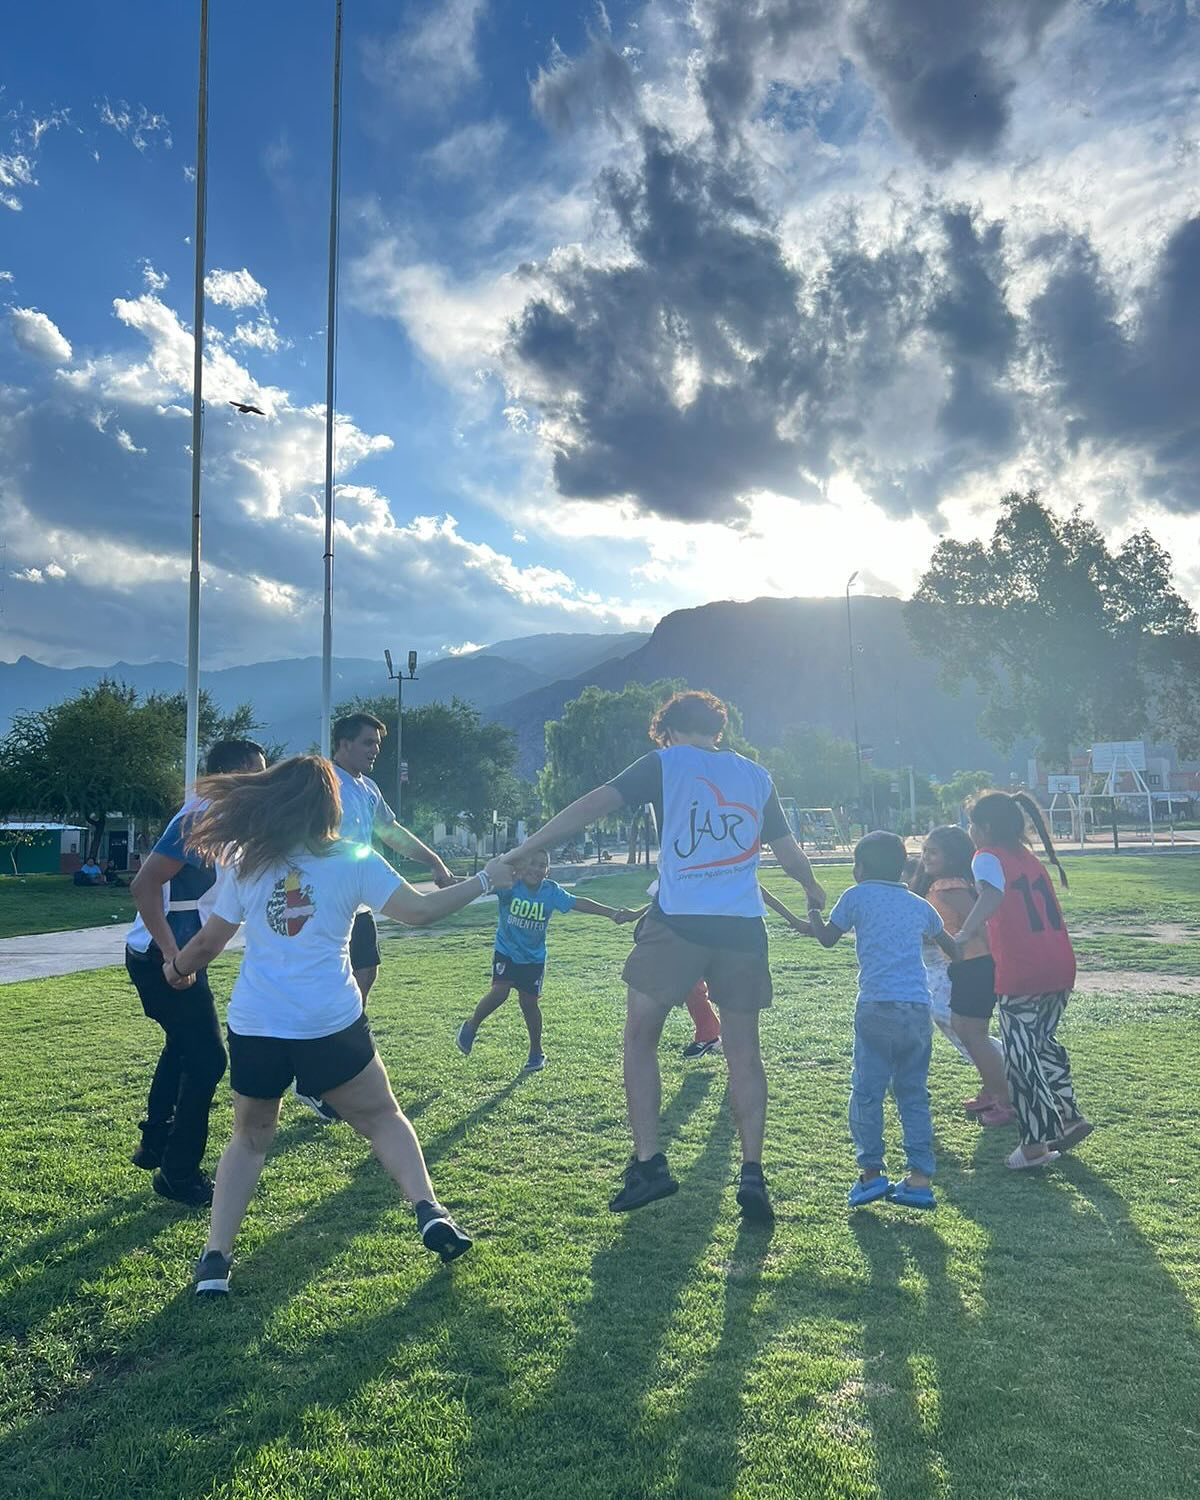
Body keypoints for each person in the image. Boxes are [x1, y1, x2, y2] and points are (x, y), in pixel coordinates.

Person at [161, 755, 516, 1297]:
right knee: (383, 1117)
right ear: (330, 805)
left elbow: (209, 941)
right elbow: (421, 912)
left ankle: (215, 1261)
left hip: (258, 1025)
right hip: (329, 1022)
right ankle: (429, 1209)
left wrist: (176, 968)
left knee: (249, 1139)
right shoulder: (354, 858)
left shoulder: (247, 861)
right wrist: (486, 879)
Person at [503, 690, 827, 1225]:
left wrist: (520, 852)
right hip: (743, 928)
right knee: (744, 1052)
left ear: (668, 731)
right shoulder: (756, 776)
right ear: (718, 729)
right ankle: (752, 1172)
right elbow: (789, 854)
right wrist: (812, 889)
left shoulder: (664, 762)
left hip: (678, 923)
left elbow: (589, 807)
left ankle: (649, 1163)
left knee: (640, 1037)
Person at [293, 713, 458, 1124]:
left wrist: (433, 860)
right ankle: (311, 1078)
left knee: (365, 975)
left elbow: (390, 831)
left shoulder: (367, 788)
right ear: (344, 743)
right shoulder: (322, 781)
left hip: (359, 901)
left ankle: (339, 1062)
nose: (375, 751)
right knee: (328, 986)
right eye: (368, 743)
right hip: (327, 903)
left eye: (378, 745)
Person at [125, 739, 268, 1206]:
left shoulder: (228, 819)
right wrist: (172, 956)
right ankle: (178, 1174)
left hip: (183, 955)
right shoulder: (198, 817)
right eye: (256, 772)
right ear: (229, 775)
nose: (263, 781)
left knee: (184, 1046)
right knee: (208, 1060)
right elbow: (144, 885)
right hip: (160, 957)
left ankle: (155, 1142)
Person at [807, 831, 958, 1210]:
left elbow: (827, 938)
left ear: (859, 868)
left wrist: (812, 912)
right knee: (913, 1094)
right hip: (917, 1009)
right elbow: (951, 946)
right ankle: (919, 1179)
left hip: (876, 1006)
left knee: (867, 1091)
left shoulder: (856, 896)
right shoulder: (918, 904)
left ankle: (871, 1174)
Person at [952, 791, 1092, 1170]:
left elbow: (993, 893)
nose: (970, 832)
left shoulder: (986, 856)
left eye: (971, 825)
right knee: (1041, 1044)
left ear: (985, 827)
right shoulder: (1028, 857)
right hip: (1059, 963)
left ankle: (1034, 1145)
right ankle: (1068, 1116)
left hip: (1022, 969)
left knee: (1020, 1057)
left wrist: (964, 932)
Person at [454, 847, 634, 1072]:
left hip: (533, 958)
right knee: (500, 991)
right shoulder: (510, 885)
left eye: (542, 865)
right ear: (522, 867)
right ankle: (471, 1027)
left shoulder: (551, 892)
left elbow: (578, 902)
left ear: (548, 871)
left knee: (529, 1004)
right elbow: (479, 885)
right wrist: (452, 883)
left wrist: (611, 913)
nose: (536, 869)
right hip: (506, 951)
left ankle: (536, 1052)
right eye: (532, 863)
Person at [909, 826, 1013, 1125]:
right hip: (963, 964)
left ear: (952, 857)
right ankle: (992, 1090)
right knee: (965, 1031)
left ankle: (1005, 1101)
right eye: (924, 851)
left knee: (974, 1035)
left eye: (933, 852)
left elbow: (981, 923)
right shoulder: (940, 886)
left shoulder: (949, 887)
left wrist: (997, 960)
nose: (926, 857)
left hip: (975, 964)